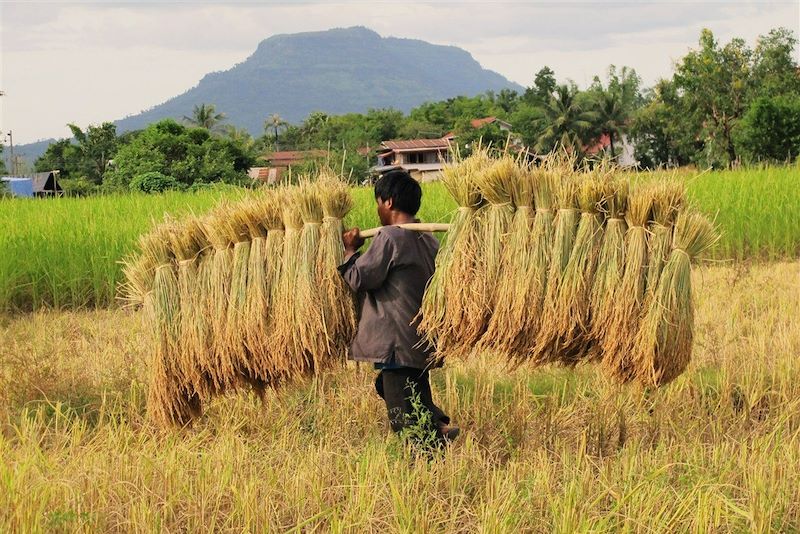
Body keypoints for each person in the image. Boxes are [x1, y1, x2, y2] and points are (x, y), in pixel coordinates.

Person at [338, 169, 459, 447]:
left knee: (403, 413)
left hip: (395, 340)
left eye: (378, 203)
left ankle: (428, 450)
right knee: (402, 389)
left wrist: (349, 251)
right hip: (419, 338)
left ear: (388, 202)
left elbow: (360, 278)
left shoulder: (391, 238)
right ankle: (437, 425)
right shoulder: (427, 240)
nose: (379, 210)